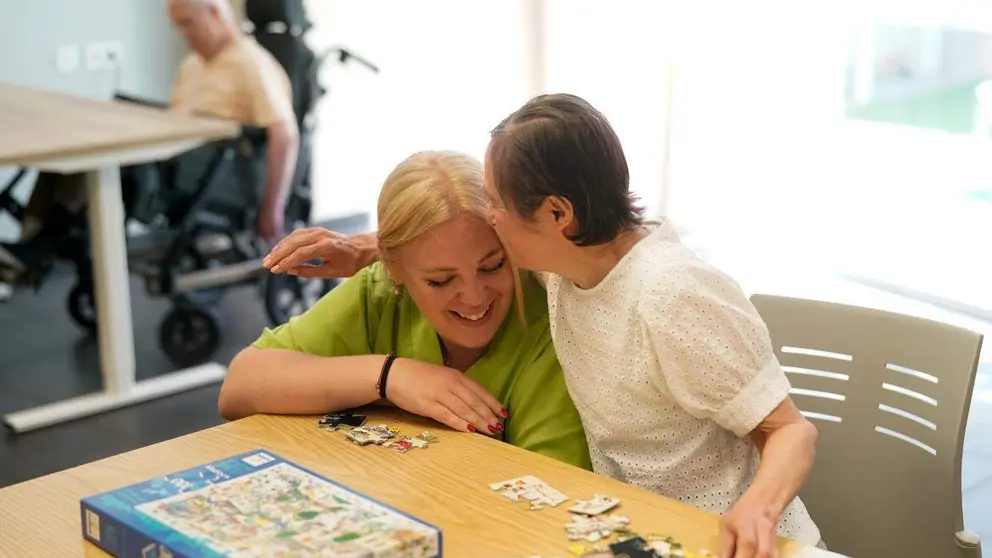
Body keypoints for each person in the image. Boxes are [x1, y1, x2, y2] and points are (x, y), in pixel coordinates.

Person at [263, 95, 825, 557]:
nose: (487, 215)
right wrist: (371, 250)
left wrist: (758, 508)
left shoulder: (672, 293)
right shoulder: (560, 267)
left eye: (495, 202)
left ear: (557, 215)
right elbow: (451, 245)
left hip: (732, 542)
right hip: (635, 533)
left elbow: (789, 430)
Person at [220, 150, 592, 471]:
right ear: (393, 269)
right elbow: (239, 387)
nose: (474, 296)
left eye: (493, 265)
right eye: (441, 280)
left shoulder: (549, 322)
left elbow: (552, 492)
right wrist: (390, 377)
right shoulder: (380, 291)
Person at [0, 0, 298, 285]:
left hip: (205, 170)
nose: (181, 33)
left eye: (187, 23)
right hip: (174, 156)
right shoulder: (194, 63)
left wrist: (273, 206)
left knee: (94, 159)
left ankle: (37, 251)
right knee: (67, 154)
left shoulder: (252, 63)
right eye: (176, 25)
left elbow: (285, 135)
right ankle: (32, 245)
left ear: (215, 14)